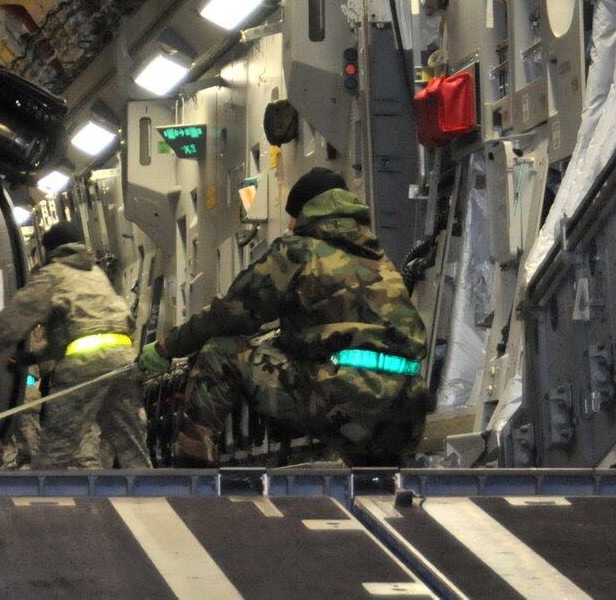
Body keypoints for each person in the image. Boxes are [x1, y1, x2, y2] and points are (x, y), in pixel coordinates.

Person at [144, 166, 427, 466]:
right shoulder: (382, 261)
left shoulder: (298, 250)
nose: (290, 224)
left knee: (221, 353)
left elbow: (229, 313)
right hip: (407, 411)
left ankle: (191, 473)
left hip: (344, 399)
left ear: (307, 211)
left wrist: (166, 347)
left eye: (292, 216)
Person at [0, 221, 149, 469]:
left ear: (51, 250)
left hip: (86, 367)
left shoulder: (52, 275)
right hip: (124, 361)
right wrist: (32, 358)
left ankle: (42, 503)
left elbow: (12, 321)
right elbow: (80, 333)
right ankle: (153, 503)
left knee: (57, 448)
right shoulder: (96, 274)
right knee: (132, 444)